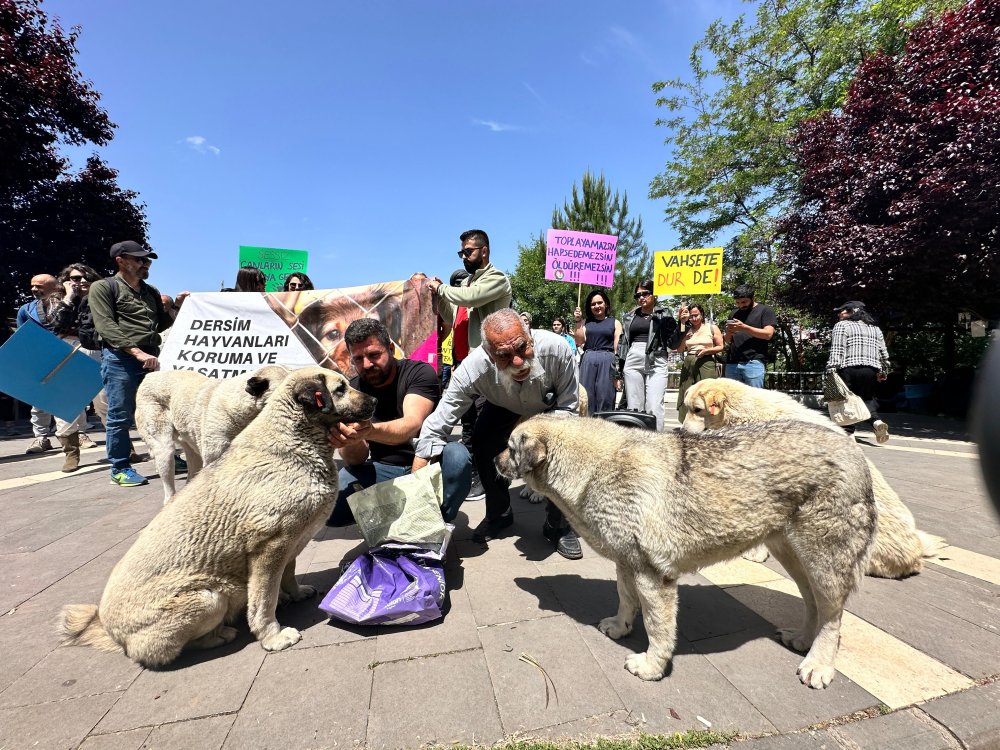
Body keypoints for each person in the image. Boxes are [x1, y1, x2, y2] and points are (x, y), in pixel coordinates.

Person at [413, 309, 583, 559]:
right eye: (504, 356)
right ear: (490, 356)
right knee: (482, 442)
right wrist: (420, 462)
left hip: (552, 410)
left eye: (522, 348)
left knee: (563, 452)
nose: (518, 362)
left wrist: (539, 439)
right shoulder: (473, 369)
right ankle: (499, 514)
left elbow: (569, 407)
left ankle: (557, 525)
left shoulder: (557, 349)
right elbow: (442, 417)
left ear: (530, 337)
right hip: (503, 404)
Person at [326, 318, 472, 526]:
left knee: (457, 456)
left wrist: (368, 430)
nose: (367, 365)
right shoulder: (353, 389)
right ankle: (390, 521)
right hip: (383, 468)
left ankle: (434, 522)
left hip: (429, 463)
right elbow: (356, 460)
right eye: (358, 359)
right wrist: (350, 440)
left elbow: (412, 424)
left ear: (391, 349)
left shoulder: (418, 373)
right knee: (330, 507)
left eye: (374, 355)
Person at [415, 230, 513, 502]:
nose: (464, 257)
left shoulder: (496, 279)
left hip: (488, 365)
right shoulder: (469, 284)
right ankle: (474, 477)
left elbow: (469, 299)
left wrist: (443, 289)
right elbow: (451, 315)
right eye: (461, 253)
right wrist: (439, 297)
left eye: (468, 251)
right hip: (466, 365)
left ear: (484, 251)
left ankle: (490, 484)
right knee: (468, 426)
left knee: (485, 429)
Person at [89, 241, 173, 487]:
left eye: (146, 260)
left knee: (159, 412)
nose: (145, 264)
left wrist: (178, 306)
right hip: (121, 358)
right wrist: (136, 352)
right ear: (121, 261)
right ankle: (120, 466)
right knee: (119, 414)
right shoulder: (104, 287)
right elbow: (106, 326)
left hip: (150, 356)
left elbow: (161, 325)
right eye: (138, 259)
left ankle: (165, 457)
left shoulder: (151, 291)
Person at [46, 263, 108, 470]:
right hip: (66, 350)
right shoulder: (56, 300)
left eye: (84, 278)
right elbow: (56, 322)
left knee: (106, 401)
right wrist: (68, 297)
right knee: (64, 402)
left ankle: (124, 448)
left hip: (96, 349)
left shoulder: (101, 298)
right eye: (74, 278)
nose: (80, 282)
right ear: (66, 281)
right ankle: (71, 453)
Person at [827, 301, 891, 444]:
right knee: (866, 399)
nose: (839, 314)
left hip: (848, 369)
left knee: (846, 402)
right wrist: (883, 370)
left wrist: (831, 369)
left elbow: (837, 350)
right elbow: (883, 353)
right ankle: (876, 422)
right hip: (871, 370)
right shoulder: (875, 328)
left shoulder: (842, 326)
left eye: (842, 311)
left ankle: (848, 435)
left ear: (853, 311)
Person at [616, 280, 677, 429]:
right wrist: (618, 370)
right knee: (634, 405)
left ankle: (658, 443)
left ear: (654, 294)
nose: (641, 297)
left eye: (645, 293)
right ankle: (638, 443)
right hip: (633, 356)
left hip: (656, 356)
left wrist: (682, 323)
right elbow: (623, 343)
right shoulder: (630, 316)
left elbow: (673, 342)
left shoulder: (665, 313)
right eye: (638, 295)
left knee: (654, 405)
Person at [15, 273, 60, 454]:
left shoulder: (67, 306)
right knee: (39, 399)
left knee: (71, 396)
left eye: (39, 286)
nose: (34, 289)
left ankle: (78, 434)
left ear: (54, 287)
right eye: (33, 286)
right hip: (40, 359)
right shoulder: (26, 310)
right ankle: (40, 437)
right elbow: (21, 337)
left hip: (66, 356)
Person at [672, 302, 724, 422]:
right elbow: (679, 349)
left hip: (706, 361)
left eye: (697, 315)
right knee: (687, 392)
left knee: (709, 392)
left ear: (702, 314)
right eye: (691, 316)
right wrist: (684, 337)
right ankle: (686, 421)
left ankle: (713, 421)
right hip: (689, 361)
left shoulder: (711, 328)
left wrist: (707, 351)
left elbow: (721, 346)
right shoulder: (686, 330)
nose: (694, 318)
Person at [573, 289, 622, 413]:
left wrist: (617, 373)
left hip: (608, 361)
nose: (596, 306)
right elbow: (579, 341)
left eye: (600, 303)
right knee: (586, 396)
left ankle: (604, 426)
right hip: (588, 360)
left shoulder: (615, 322)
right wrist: (578, 321)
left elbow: (618, 349)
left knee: (606, 395)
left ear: (606, 304)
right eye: (593, 304)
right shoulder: (585, 322)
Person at [722, 284, 777, 388]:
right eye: (738, 302)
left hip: (753, 363)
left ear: (752, 298)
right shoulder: (734, 313)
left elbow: (768, 334)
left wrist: (743, 327)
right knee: (732, 400)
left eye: (744, 302)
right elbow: (728, 340)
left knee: (755, 401)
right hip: (732, 363)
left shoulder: (765, 310)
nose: (741, 305)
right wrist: (729, 331)